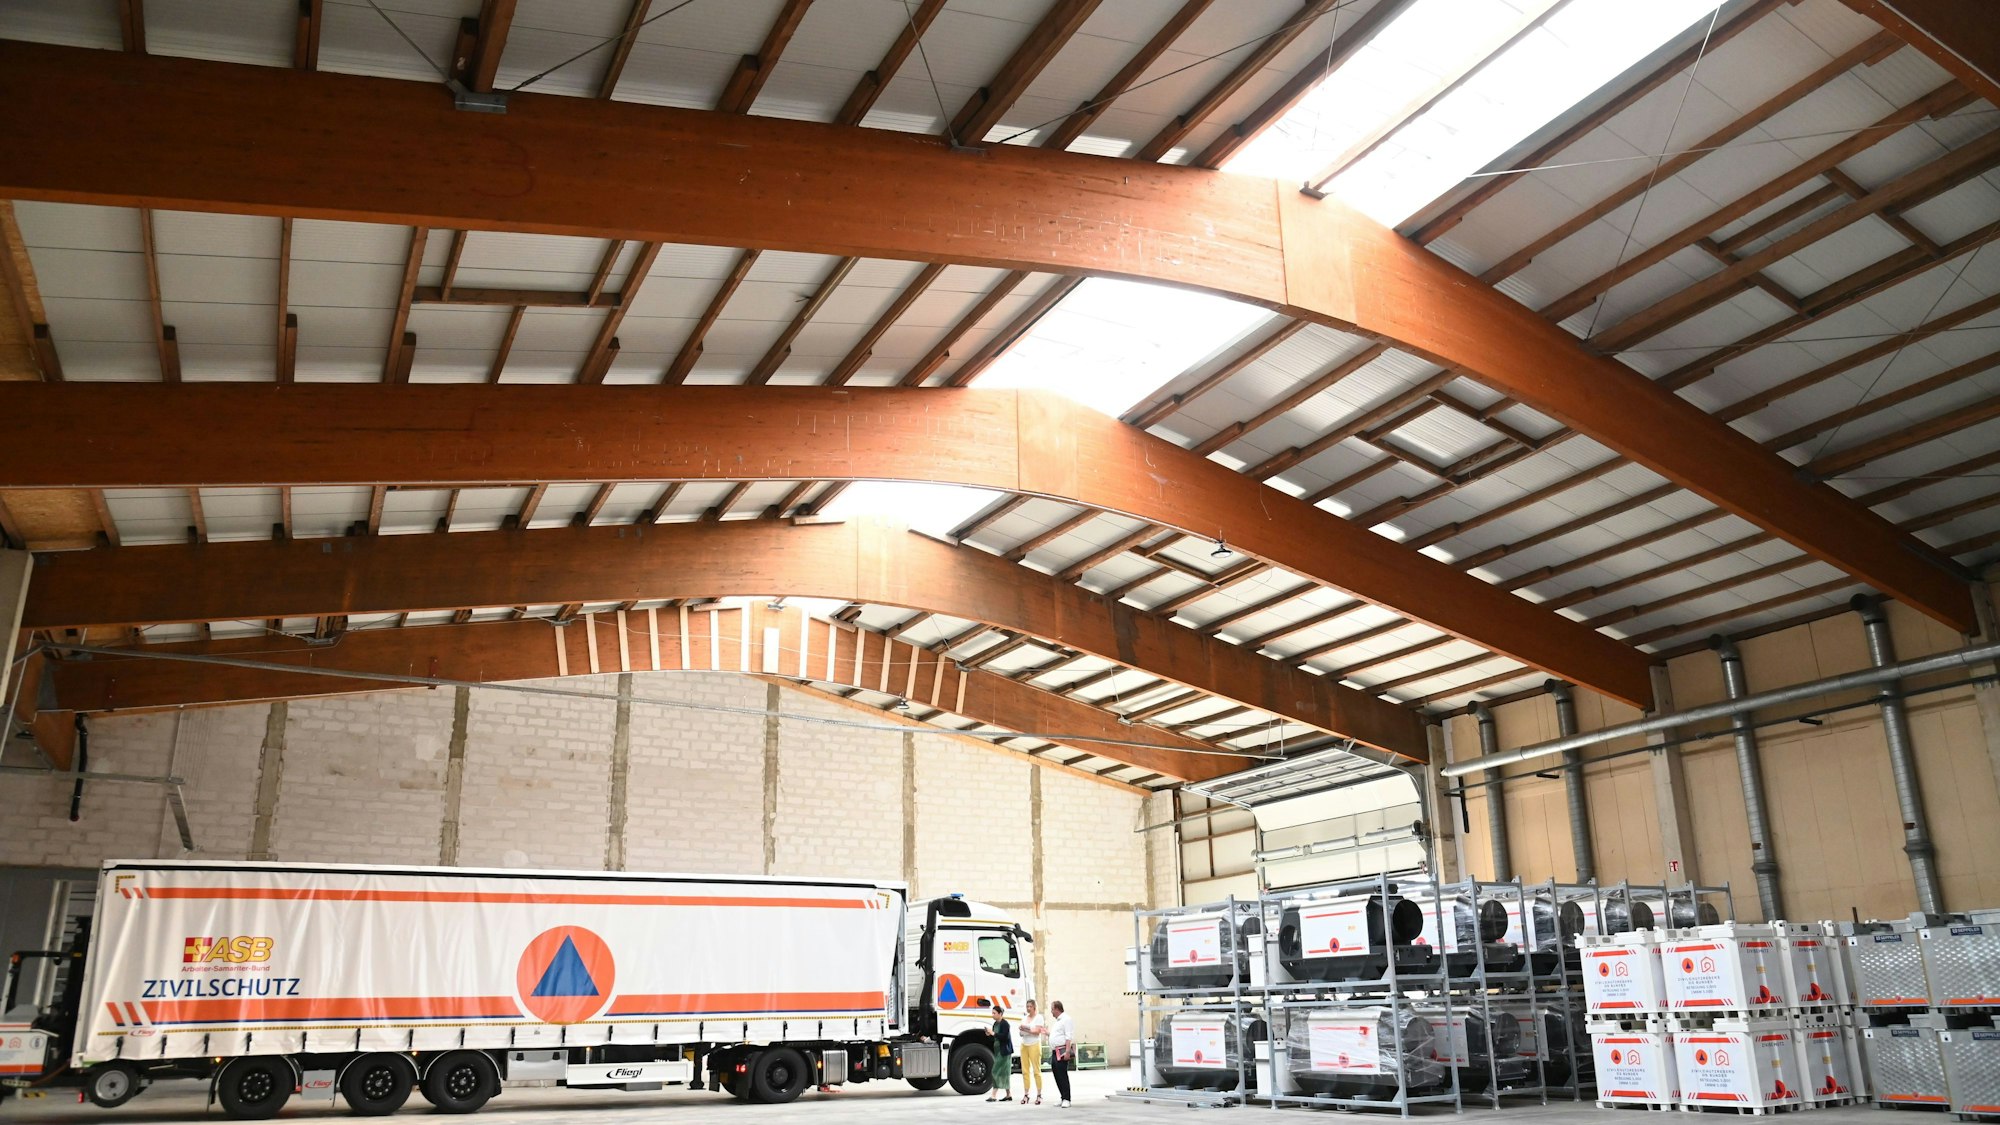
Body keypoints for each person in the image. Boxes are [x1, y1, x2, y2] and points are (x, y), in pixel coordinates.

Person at [1017, 999, 1047, 1104]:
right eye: (1027, 1006)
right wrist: (1028, 1029)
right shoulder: (1024, 1018)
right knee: (1025, 1071)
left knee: (1036, 1070)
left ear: (1034, 1007)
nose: (1028, 1008)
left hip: (1034, 1044)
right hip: (1024, 1044)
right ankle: (1026, 1094)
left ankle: (1039, 1094)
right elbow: (1020, 1032)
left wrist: (1026, 1029)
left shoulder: (1039, 1018)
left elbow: (1037, 1032)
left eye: (1030, 1006)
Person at [1047, 999, 1075, 1108]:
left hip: (1062, 1051)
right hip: (1055, 1052)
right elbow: (1058, 1036)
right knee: (1057, 1075)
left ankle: (1067, 1098)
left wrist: (1067, 1051)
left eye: (1052, 1009)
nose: (1051, 1012)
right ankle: (1062, 1097)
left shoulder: (1066, 1019)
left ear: (1057, 1009)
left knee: (1062, 1075)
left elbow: (1068, 1037)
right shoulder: (1058, 1021)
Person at [985, 1000, 1014, 1103]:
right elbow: (995, 1037)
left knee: (996, 1071)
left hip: (1004, 1051)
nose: (992, 1015)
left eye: (994, 1013)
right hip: (998, 1051)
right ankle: (1008, 1094)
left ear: (1000, 1014)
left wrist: (994, 1034)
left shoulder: (1005, 1024)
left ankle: (993, 1095)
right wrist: (990, 1034)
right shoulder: (995, 1024)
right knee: (1004, 1072)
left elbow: (1004, 1037)